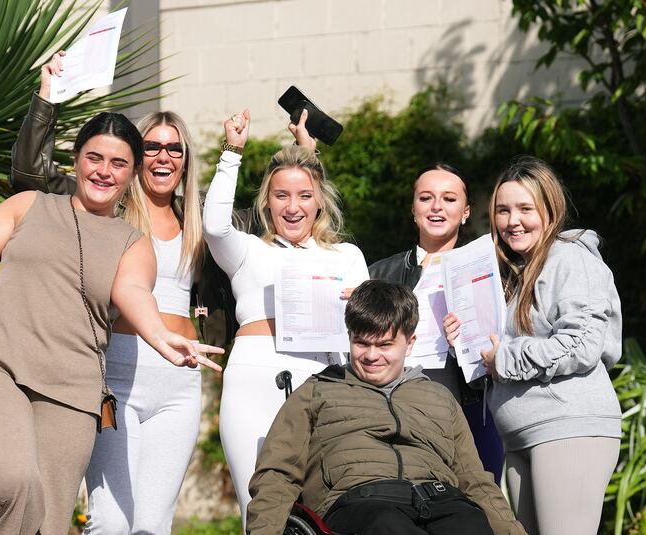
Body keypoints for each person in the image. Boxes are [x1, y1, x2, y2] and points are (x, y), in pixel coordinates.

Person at [0, 111, 222, 535]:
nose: (103, 171)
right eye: (95, 157)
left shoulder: (133, 244)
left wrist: (161, 335)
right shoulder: (29, 205)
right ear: (76, 159)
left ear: (133, 175)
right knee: (8, 478)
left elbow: (133, 293)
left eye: (118, 164)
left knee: (47, 520)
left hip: (71, 388)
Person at [9, 51, 211, 534]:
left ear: (185, 160)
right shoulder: (109, 210)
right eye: (153, 146)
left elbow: (285, 216)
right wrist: (46, 97)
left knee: (154, 524)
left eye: (175, 148)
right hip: (116, 373)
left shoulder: (203, 223)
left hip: (179, 384)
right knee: (112, 521)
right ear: (136, 158)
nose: (164, 156)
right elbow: (30, 177)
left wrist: (303, 150)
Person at [246, 280, 526, 535]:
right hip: (362, 502)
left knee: (471, 526)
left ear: (410, 342)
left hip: (442, 500)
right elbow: (277, 475)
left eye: (384, 345)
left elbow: (474, 480)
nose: (371, 355)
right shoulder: (317, 392)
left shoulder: (439, 398)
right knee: (388, 526)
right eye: (361, 343)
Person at [203, 110, 370, 524]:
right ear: (266, 201)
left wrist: (358, 307)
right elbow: (213, 225)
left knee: (322, 511)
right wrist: (232, 152)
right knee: (258, 511)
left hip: (323, 379)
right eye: (281, 195)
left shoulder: (346, 256)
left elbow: (372, 332)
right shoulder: (245, 250)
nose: (293, 207)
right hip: (254, 381)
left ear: (319, 201)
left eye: (304, 196)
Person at [444, 156, 621, 535]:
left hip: (567, 428)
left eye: (526, 208)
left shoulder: (570, 258)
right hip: (523, 435)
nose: (512, 221)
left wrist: (502, 357)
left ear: (550, 209)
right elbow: (499, 356)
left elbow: (581, 344)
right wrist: (468, 345)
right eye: (503, 210)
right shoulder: (515, 273)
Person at [368, 163, 504, 480]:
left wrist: (467, 338)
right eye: (426, 198)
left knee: (478, 505)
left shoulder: (487, 267)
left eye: (449, 198)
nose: (437, 207)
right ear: (413, 209)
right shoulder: (379, 273)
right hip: (396, 404)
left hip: (470, 404)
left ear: (466, 211)